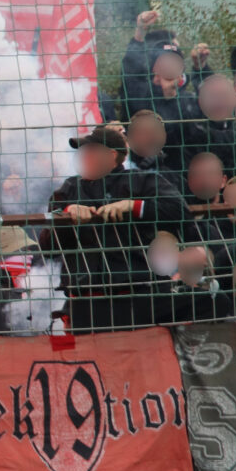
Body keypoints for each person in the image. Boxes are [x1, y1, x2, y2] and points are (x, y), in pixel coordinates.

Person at [48, 125, 188, 332]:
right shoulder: (69, 188)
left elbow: (179, 209)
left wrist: (133, 206)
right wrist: (67, 213)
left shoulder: (142, 181)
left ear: (111, 155)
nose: (84, 156)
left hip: (136, 296)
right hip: (83, 299)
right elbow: (47, 239)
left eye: (90, 150)